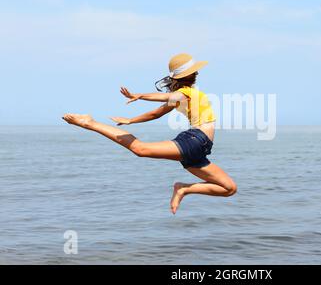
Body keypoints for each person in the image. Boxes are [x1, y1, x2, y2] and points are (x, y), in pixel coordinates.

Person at [62, 53, 237, 214]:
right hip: (195, 141)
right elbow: (163, 99)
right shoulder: (185, 93)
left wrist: (131, 120)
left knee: (229, 188)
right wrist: (140, 96)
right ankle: (90, 123)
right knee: (140, 149)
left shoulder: (184, 96)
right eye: (195, 72)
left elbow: (155, 114)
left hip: (199, 150)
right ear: (190, 75)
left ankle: (183, 188)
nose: (197, 74)